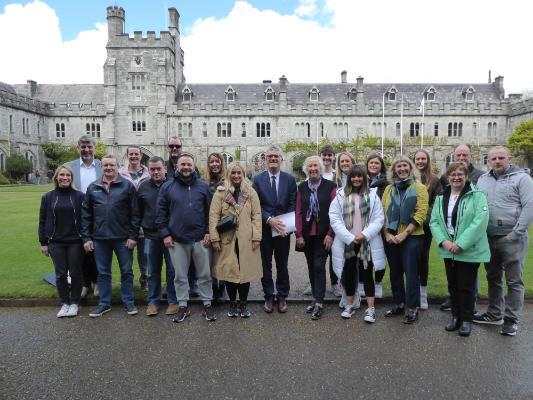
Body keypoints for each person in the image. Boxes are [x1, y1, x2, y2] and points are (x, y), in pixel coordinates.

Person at [474, 146, 533, 336]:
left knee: (514, 281)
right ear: (488, 161)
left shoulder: (522, 179)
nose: (497, 161)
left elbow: (529, 206)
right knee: (493, 278)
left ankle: (511, 319)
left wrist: (516, 233)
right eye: (493, 158)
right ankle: (494, 314)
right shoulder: (483, 180)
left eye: (501, 158)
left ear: (510, 158)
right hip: (489, 237)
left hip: (512, 237)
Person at [430, 162, 490, 337]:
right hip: (449, 249)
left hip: (468, 250)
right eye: (452, 174)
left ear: (466, 176)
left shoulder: (477, 196)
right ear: (448, 177)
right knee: (453, 285)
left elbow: (480, 221)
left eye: (460, 174)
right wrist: (444, 242)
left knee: (466, 286)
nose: (456, 177)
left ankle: (466, 320)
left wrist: (461, 243)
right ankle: (455, 317)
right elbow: (434, 221)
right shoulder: (442, 197)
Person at [156, 153, 216, 323]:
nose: (186, 167)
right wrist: (165, 234)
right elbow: (161, 214)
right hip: (177, 240)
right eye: (183, 164)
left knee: (205, 275)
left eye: (189, 164)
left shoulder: (202, 187)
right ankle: (183, 306)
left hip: (200, 239)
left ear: (194, 166)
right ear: (177, 166)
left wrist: (208, 232)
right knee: (180, 276)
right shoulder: (167, 187)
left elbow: (210, 213)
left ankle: (207, 304)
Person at [82, 154, 140, 317]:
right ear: (102, 167)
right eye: (106, 165)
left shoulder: (127, 186)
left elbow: (135, 214)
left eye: (112, 165)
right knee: (103, 272)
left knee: (127, 271)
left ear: (117, 167)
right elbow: (86, 214)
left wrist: (133, 236)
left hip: (123, 237)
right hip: (100, 238)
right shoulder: (93, 187)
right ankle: (104, 303)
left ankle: (128, 302)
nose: (108, 168)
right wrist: (86, 238)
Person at [329, 165, 386, 322]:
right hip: (348, 242)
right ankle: (350, 305)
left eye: (359, 176)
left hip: (366, 241)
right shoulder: (341, 195)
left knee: (367, 273)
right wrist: (348, 237)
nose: (356, 179)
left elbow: (379, 218)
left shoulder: (373, 195)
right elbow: (334, 217)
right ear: (349, 178)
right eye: (353, 176)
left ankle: (370, 308)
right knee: (348, 273)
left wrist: (364, 235)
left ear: (364, 178)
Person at [209, 162, 262, 318]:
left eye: (239, 173)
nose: (236, 176)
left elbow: (256, 216)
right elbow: (213, 217)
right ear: (229, 174)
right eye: (233, 173)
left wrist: (256, 237)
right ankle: (232, 304)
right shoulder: (221, 193)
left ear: (243, 174)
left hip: (246, 238)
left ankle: (243, 304)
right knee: (230, 272)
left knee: (245, 272)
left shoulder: (251, 192)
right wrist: (214, 239)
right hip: (227, 239)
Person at [382, 157, 428, 324]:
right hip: (391, 236)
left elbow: (421, 213)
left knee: (411, 273)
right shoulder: (388, 189)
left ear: (410, 169)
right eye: (398, 166)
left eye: (405, 166)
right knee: (395, 272)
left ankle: (412, 307)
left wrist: (405, 233)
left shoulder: (420, 188)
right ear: (394, 170)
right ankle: (399, 303)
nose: (401, 169)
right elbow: (383, 213)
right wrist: (387, 234)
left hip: (412, 237)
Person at [252, 145, 297, 314]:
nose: (272, 159)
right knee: (266, 265)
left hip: (283, 231)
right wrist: (269, 220)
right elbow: (255, 205)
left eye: (276, 156)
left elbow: (293, 204)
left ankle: (282, 296)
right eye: (269, 156)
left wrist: (287, 226)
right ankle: (269, 296)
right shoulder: (257, 180)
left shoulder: (290, 180)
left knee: (282, 264)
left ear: (281, 159)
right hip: (264, 229)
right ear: (265, 160)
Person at [38, 164, 85, 317]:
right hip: (56, 241)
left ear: (71, 178)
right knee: (60, 274)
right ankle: (64, 302)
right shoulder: (48, 197)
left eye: (68, 175)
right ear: (56, 177)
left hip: (75, 241)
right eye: (62, 175)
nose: (65, 178)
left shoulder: (79, 196)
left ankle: (74, 303)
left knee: (76, 273)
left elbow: (86, 219)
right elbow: (42, 221)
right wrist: (43, 243)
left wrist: (86, 238)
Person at [295, 156, 336, 320]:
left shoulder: (330, 186)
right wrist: (298, 234)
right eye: (310, 166)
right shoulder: (302, 187)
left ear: (320, 168)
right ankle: (315, 297)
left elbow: (335, 212)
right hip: (307, 235)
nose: (313, 169)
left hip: (323, 234)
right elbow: (298, 212)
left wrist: (330, 234)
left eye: (315, 166)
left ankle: (319, 302)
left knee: (319, 265)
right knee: (311, 266)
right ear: (306, 169)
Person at [137, 156, 178, 316]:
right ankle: (153, 301)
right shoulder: (143, 187)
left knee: (172, 270)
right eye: (152, 169)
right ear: (148, 170)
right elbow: (137, 212)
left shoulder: (174, 185)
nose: (155, 172)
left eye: (158, 169)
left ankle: (173, 301)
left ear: (165, 169)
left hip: (171, 236)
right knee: (153, 270)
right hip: (151, 236)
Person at [66, 135, 102, 298]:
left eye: (89, 147)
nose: (86, 150)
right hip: (76, 215)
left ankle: (97, 281)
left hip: (99, 215)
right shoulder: (69, 167)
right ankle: (84, 283)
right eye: (83, 147)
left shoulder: (103, 166)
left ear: (94, 148)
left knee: (97, 250)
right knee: (79, 250)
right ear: (78, 148)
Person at [413, 149, 443, 309]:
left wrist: (421, 219)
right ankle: (412, 292)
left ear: (428, 160)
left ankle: (423, 294)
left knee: (423, 259)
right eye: (417, 159)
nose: (420, 162)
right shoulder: (408, 178)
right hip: (408, 227)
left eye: (423, 159)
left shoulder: (435, 180)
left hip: (424, 227)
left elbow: (436, 203)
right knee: (410, 260)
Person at [119, 145, 150, 290]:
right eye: (131, 154)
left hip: (145, 219)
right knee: (127, 253)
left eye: (136, 154)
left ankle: (145, 277)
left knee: (144, 253)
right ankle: (128, 281)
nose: (133, 156)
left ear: (141, 156)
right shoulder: (120, 173)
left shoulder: (148, 173)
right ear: (127, 156)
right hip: (126, 220)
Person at [331, 151, 356, 309]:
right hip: (340, 228)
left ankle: (355, 296)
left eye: (347, 161)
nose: (345, 164)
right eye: (342, 162)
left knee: (355, 264)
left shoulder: (359, 178)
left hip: (357, 228)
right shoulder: (336, 182)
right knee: (342, 262)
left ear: (353, 162)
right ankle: (346, 295)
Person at [363, 153, 389, 298]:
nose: (373, 165)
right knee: (365, 257)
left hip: (381, 225)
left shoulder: (386, 183)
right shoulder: (361, 180)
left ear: (381, 166)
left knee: (379, 256)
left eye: (376, 163)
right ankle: (365, 285)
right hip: (364, 225)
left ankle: (377, 284)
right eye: (371, 163)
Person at [204, 152, 227, 302]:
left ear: (221, 163)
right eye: (211, 162)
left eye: (217, 161)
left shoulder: (228, 182)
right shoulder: (202, 183)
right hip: (208, 226)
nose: (214, 164)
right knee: (210, 260)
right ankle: (212, 289)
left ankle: (222, 290)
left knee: (224, 259)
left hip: (225, 226)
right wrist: (207, 231)